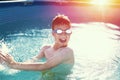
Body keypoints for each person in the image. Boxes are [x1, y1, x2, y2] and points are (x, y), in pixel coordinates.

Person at [0, 14, 74, 79]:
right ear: (53, 33)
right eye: (59, 31)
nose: (64, 35)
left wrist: (14, 64)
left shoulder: (67, 52)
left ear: (71, 33)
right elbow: (33, 60)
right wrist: (9, 64)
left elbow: (45, 66)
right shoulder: (45, 49)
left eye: (67, 31)